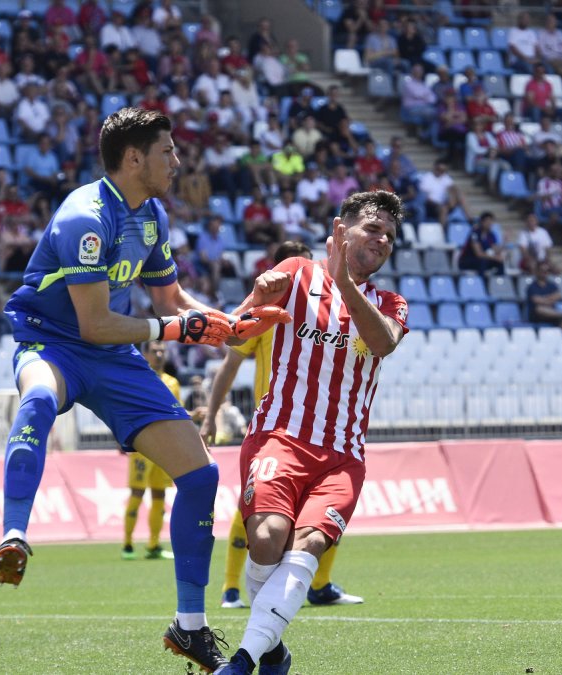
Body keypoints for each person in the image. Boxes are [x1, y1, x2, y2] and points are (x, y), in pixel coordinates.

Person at [0, 108, 290, 673]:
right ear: (134, 158)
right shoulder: (85, 218)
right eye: (167, 151)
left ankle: (190, 628)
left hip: (116, 357)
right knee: (39, 399)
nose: (177, 162)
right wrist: (175, 330)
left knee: (200, 475)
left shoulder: (150, 215)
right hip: (53, 343)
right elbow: (94, 324)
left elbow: (170, 301)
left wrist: (227, 323)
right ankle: (14, 534)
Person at [213, 191, 408, 675]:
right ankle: (272, 650)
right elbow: (233, 335)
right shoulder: (296, 273)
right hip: (279, 436)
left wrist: (343, 283)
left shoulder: (391, 303)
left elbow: (381, 343)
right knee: (267, 539)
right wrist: (259, 299)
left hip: (343, 455)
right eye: (373, 228)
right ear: (341, 230)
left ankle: (243, 661)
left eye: (390, 235)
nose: (383, 240)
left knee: (307, 546)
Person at [203, 241, 363, 612]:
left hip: (320, 430)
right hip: (273, 427)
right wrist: (211, 415)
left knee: (322, 515)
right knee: (253, 513)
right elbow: (230, 361)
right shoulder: (268, 314)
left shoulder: (328, 314)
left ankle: (318, 585)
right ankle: (231, 588)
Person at [121, 340, 180, 561]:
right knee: (137, 493)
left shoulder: (173, 382)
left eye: (162, 351)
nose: (159, 354)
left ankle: (153, 545)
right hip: (143, 446)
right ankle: (127, 544)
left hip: (165, 447)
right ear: (145, 354)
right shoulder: (138, 377)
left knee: (159, 494)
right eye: (154, 351)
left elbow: (177, 413)